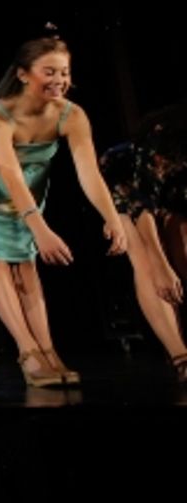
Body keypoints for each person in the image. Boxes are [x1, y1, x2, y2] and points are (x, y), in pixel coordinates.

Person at [0, 30, 127, 387]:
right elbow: (7, 172)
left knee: (27, 260)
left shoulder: (72, 114)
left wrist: (112, 218)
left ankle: (48, 350)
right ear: (23, 74)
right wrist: (41, 227)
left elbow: (89, 171)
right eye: (49, 71)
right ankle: (27, 352)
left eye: (64, 72)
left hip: (30, 182)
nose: (59, 80)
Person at [99, 100, 187, 381]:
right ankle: (179, 356)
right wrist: (162, 267)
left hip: (173, 194)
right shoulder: (163, 140)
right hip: (125, 184)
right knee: (147, 261)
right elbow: (143, 209)